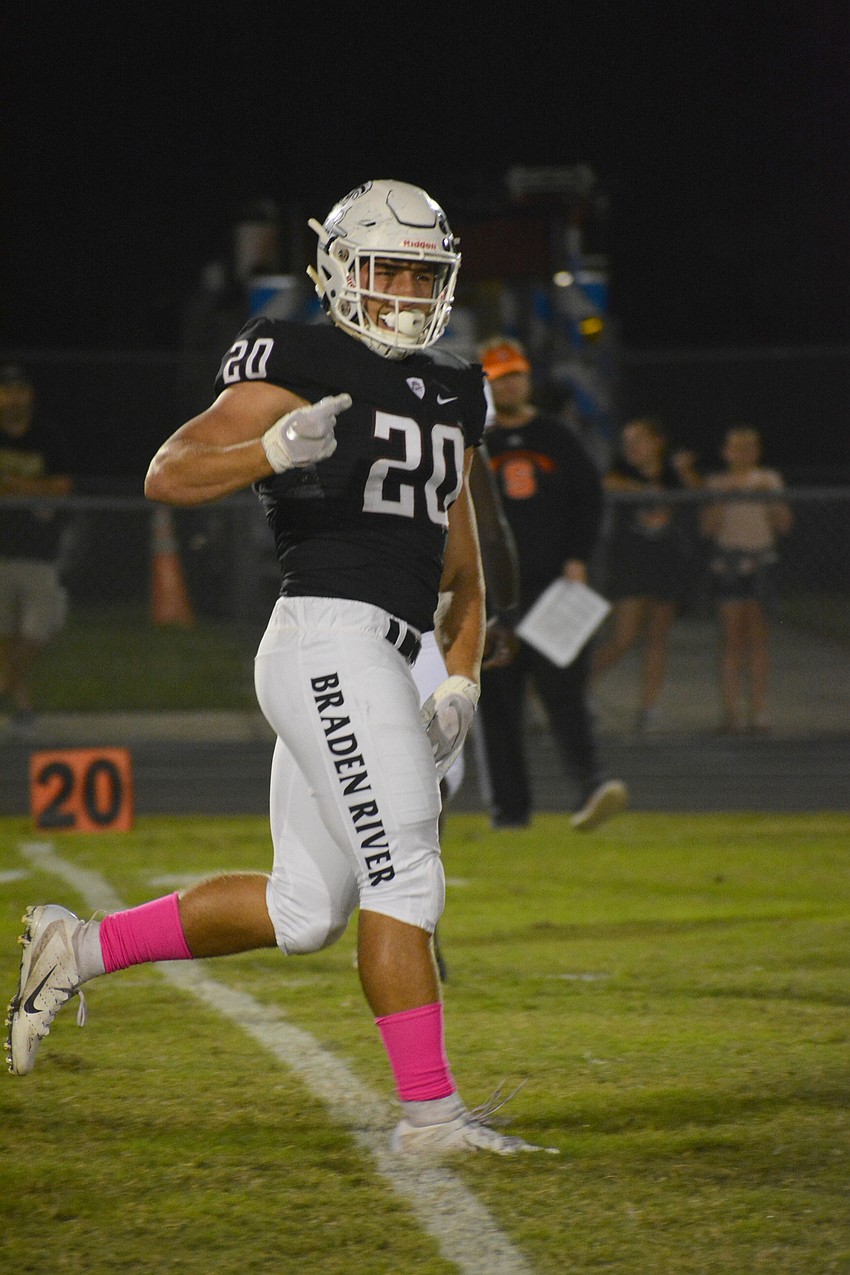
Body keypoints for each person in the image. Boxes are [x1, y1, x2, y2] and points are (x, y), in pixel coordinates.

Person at [5, 180, 555, 1159]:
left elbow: (463, 563)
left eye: (421, 273)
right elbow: (169, 472)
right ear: (340, 270)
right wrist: (267, 446)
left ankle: (77, 947)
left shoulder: (455, 384)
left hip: (404, 651)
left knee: (304, 909)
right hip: (329, 638)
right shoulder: (294, 355)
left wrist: (460, 679)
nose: (404, 291)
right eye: (387, 269)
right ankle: (431, 1117)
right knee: (406, 868)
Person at [474, 337, 628, 832]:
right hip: (494, 595)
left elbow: (589, 499)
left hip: (550, 589)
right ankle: (510, 812)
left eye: (516, 376)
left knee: (566, 694)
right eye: (500, 379)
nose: (510, 386)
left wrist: (578, 556)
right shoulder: (474, 439)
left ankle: (591, 785)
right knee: (499, 707)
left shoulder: (557, 436)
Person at [591, 416, 703, 733]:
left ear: (657, 442)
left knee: (657, 639)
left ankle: (649, 708)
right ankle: (580, 689)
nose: (632, 447)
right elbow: (608, 483)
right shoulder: (621, 471)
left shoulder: (671, 473)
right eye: (627, 442)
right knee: (623, 638)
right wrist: (646, 489)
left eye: (639, 440)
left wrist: (685, 471)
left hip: (665, 563)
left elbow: (699, 495)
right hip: (630, 565)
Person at [701, 425, 792, 733]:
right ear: (726, 452)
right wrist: (724, 497)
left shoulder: (769, 479)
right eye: (737, 448)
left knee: (759, 639)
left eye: (750, 448)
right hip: (729, 562)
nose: (743, 454)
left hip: (761, 560)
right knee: (731, 638)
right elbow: (708, 529)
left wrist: (771, 498)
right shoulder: (717, 482)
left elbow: (784, 525)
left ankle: (759, 710)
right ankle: (731, 713)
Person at [0, 364, 74, 737]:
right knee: (6, 635)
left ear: (29, 395)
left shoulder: (48, 435)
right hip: (1, 554)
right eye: (7, 390)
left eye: (20, 390)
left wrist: (13, 485)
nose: (14, 397)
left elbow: (62, 487)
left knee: (36, 632)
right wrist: (33, 489)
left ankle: (4, 686)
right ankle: (23, 707)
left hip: (39, 553)